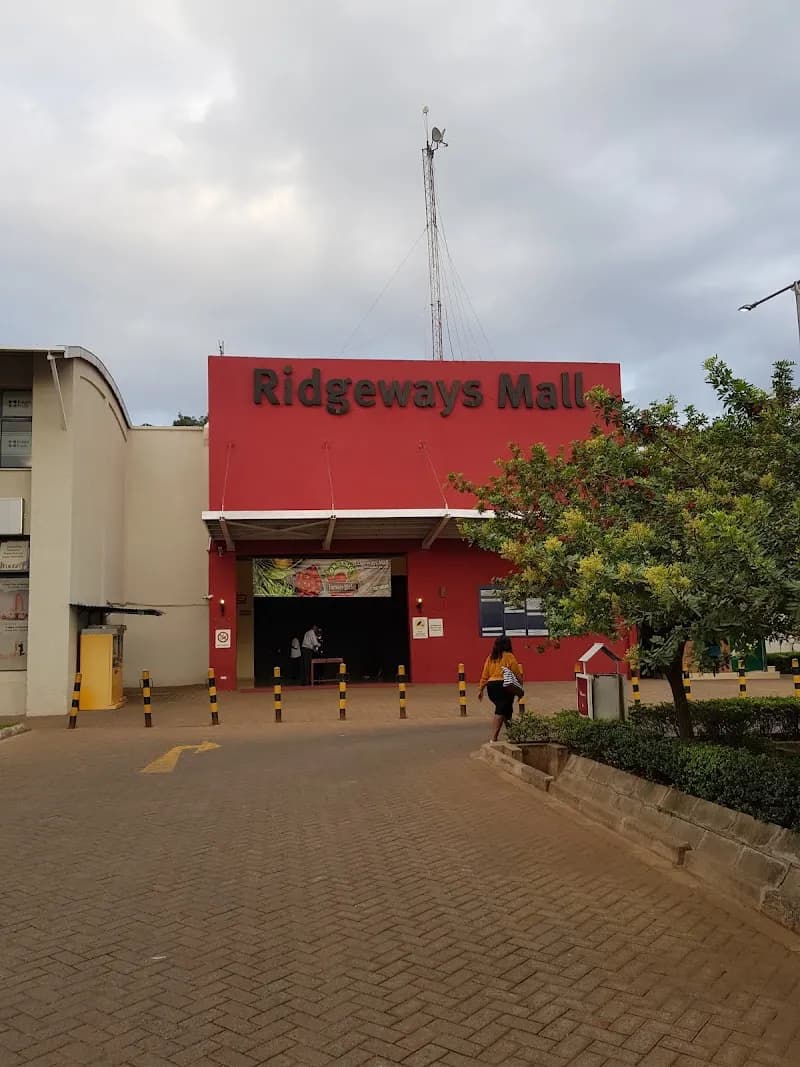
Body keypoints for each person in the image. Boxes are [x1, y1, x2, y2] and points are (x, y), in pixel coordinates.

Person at [478, 635, 524, 742]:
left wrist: (481, 689)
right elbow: (517, 674)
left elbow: (485, 675)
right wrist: (520, 689)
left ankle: (512, 735)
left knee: (507, 710)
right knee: (500, 710)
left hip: (492, 687)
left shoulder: (491, 657)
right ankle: (493, 738)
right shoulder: (509, 656)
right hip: (505, 686)